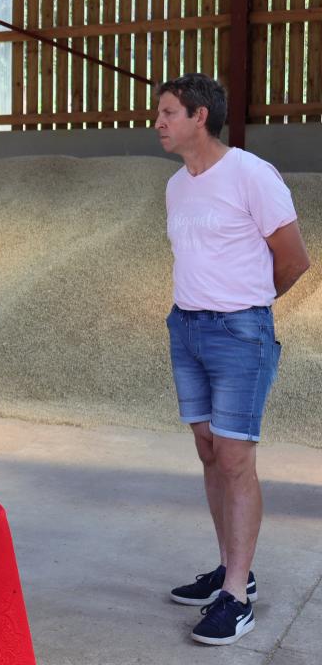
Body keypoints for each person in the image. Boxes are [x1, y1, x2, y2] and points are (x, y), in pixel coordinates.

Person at [158, 74, 310, 645]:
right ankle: (228, 569)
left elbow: (293, 260)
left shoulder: (250, 174)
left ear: (200, 116)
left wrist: (247, 311)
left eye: (168, 112)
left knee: (236, 459)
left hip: (239, 331)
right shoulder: (177, 186)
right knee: (207, 449)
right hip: (186, 328)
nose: (159, 123)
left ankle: (237, 595)